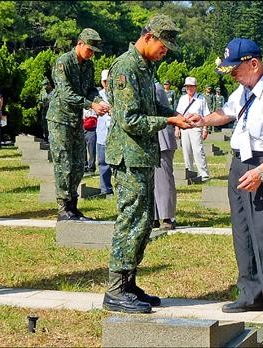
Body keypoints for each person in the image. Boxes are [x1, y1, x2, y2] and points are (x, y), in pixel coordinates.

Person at [190, 38, 263, 321]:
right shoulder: (244, 89)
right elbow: (226, 113)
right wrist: (202, 119)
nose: (233, 75)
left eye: (235, 69)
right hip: (240, 163)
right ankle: (250, 294)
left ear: (254, 63)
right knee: (244, 232)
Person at [103, 14, 192, 314]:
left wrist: (175, 114)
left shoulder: (145, 68)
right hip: (128, 157)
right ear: (148, 37)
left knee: (142, 224)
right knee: (130, 221)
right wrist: (168, 119)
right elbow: (129, 119)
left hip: (141, 156)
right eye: (163, 46)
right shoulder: (126, 68)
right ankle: (115, 289)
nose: (165, 52)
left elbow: (152, 107)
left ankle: (129, 283)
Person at [46, 28, 109, 221]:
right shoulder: (63, 62)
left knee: (78, 164)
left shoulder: (88, 66)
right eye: (89, 49)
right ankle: (63, 207)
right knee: (64, 163)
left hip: (75, 119)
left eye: (93, 51)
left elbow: (90, 89)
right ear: (79, 43)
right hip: (60, 119)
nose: (91, 54)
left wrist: (99, 100)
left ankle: (73, 206)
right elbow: (66, 94)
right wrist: (91, 105)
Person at [175, 76, 210, 181]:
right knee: (186, 150)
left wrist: (205, 129)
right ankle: (189, 171)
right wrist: (177, 128)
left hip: (196, 127)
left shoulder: (201, 99)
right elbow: (179, 115)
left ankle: (203, 173)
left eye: (191, 86)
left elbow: (206, 115)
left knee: (198, 150)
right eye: (187, 86)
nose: (189, 88)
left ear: (195, 87)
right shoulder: (182, 99)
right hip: (184, 127)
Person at [154, 81, 178, 230]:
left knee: (164, 181)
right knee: (152, 183)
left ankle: (167, 217)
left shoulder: (154, 88)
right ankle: (154, 217)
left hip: (161, 139)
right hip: (152, 139)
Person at [96, 69, 113, 194]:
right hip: (102, 133)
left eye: (108, 80)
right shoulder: (98, 96)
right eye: (104, 81)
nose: (106, 83)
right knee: (102, 162)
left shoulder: (118, 93)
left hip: (115, 135)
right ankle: (105, 189)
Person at [38, 78, 53, 143]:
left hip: (52, 113)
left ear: (49, 84)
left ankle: (51, 140)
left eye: (46, 86)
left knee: (51, 127)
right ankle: (46, 138)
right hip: (44, 112)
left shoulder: (54, 93)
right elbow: (39, 101)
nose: (45, 88)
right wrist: (41, 104)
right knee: (44, 126)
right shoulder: (42, 93)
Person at [83, 107, 97, 174]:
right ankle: (84, 166)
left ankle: (91, 168)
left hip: (91, 129)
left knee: (92, 150)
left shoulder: (94, 105)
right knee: (82, 149)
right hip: (82, 127)